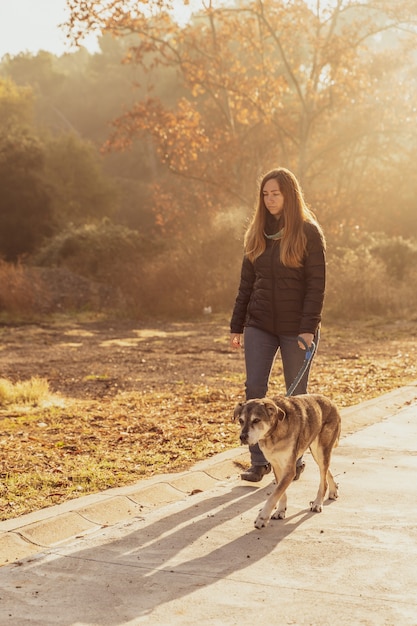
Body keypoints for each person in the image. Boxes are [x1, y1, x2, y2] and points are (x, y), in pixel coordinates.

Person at [230, 167, 326, 482]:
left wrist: (308, 327)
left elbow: (316, 285)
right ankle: (258, 462)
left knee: (296, 396)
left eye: (276, 193)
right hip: (259, 323)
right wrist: (237, 324)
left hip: (296, 326)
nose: (270, 199)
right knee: (254, 389)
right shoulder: (256, 232)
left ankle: (292, 459)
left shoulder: (308, 232)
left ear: (289, 195)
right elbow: (246, 283)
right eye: (265, 194)